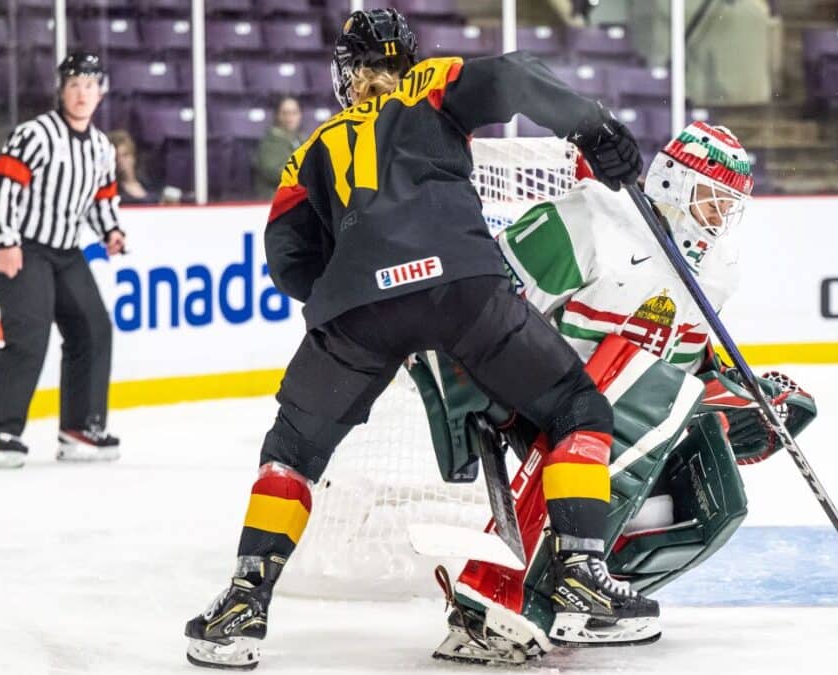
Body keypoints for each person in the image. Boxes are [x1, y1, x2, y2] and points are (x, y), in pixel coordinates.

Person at [184, 8, 651, 670]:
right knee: (577, 409)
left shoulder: (310, 147)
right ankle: (581, 577)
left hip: (356, 312)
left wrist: (362, 292)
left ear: (346, 75)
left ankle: (243, 603)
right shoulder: (429, 84)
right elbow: (515, 77)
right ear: (405, 60)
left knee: (290, 453)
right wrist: (594, 127)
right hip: (464, 290)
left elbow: (288, 263)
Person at [425, 123, 818, 664]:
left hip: (614, 418)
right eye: (711, 198)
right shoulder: (590, 220)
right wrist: (458, 384)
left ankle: (576, 594)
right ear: (673, 182)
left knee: (706, 506)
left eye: (730, 206)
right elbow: (483, 298)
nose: (719, 216)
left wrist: (737, 398)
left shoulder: (717, 272)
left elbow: (683, 364)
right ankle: (506, 590)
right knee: (643, 386)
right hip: (534, 398)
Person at [0, 52, 126, 469]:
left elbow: (102, 198)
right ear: (61, 90)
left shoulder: (101, 147)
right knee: (29, 336)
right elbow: (3, 188)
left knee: (93, 329)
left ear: (100, 93)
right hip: (23, 246)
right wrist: (5, 241)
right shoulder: (35, 135)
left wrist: (111, 230)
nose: (82, 93)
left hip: (66, 250)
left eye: (90, 85)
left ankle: (80, 427)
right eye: (74, 84)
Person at [108, 129, 181, 205]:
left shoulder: (149, 182)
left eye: (125, 155)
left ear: (133, 156)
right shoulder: (112, 191)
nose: (121, 161)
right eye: (116, 157)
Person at [252, 96, 304, 199]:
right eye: (285, 113)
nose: (290, 118)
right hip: (274, 199)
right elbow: (274, 172)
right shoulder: (270, 142)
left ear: (300, 115)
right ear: (278, 115)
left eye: (294, 113)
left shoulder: (302, 139)